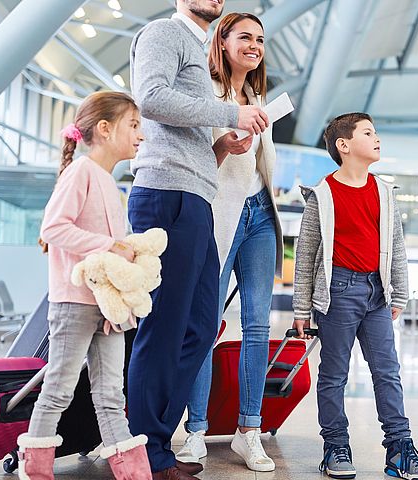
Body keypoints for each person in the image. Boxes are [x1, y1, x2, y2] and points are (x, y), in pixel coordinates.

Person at [127, 1, 269, 479]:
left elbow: (186, 131)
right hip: (166, 194)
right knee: (165, 328)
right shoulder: (164, 33)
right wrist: (230, 111)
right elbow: (150, 98)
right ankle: (148, 451)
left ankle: (158, 441)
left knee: (201, 325)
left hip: (194, 196)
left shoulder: (196, 43)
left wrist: (222, 146)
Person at [292, 113, 418, 480]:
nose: (377, 138)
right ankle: (336, 446)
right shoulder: (322, 194)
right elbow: (306, 254)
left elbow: (397, 248)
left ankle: (400, 448)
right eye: (368, 133)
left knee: (387, 372)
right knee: (334, 374)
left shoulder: (384, 192)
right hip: (338, 292)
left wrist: (399, 294)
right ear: (343, 145)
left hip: (378, 294)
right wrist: (301, 309)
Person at [16, 92, 151, 480]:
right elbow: (54, 228)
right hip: (74, 302)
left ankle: (133, 474)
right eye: (134, 125)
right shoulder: (81, 172)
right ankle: (36, 471)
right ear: (105, 130)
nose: (141, 135)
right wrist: (111, 245)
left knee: (111, 394)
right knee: (59, 387)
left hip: (109, 308)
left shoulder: (108, 181)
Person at [176, 12, 282, 473]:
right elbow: (199, 161)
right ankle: (195, 431)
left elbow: (263, 164)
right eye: (245, 36)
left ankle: (249, 431)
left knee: (258, 325)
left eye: (260, 39)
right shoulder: (206, 94)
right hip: (219, 214)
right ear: (222, 42)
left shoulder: (258, 98)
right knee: (206, 321)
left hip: (259, 214)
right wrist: (226, 147)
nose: (254, 45)